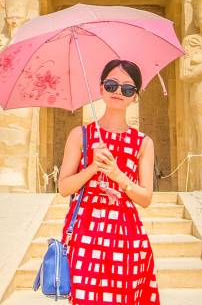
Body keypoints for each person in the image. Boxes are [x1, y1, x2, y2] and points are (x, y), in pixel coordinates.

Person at [57, 59, 160, 304]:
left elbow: (145, 198)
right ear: (101, 88)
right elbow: (64, 188)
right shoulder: (80, 135)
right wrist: (93, 167)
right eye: (112, 85)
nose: (118, 92)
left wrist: (117, 175)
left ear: (135, 97)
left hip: (126, 233)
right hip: (86, 231)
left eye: (127, 88)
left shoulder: (143, 142)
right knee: (85, 298)